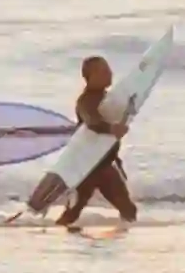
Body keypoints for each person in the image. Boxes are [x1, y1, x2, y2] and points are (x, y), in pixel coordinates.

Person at [52, 48, 137, 232]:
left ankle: (120, 237)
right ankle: (56, 237)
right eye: (104, 71)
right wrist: (111, 128)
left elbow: (116, 120)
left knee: (129, 210)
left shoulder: (108, 98)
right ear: (90, 76)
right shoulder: (85, 101)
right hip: (86, 166)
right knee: (73, 213)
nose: (110, 73)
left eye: (109, 69)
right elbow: (92, 121)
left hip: (103, 164)